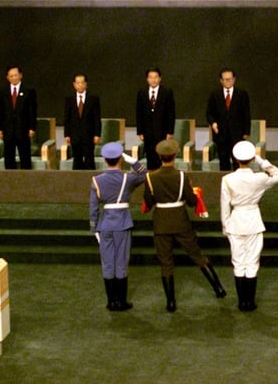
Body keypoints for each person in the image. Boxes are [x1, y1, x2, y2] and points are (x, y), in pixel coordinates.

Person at [143, 140, 227, 312]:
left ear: (159, 157)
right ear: (174, 156)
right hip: (181, 221)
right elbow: (190, 201)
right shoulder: (182, 176)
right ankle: (218, 288)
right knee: (198, 256)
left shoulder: (150, 178)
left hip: (161, 224)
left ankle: (171, 302)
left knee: (166, 263)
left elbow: (149, 201)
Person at [221, 141, 278, 311]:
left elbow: (224, 205)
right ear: (250, 159)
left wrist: (225, 226)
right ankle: (250, 301)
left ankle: (242, 302)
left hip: (235, 222)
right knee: (252, 262)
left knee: (238, 262)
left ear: (235, 159)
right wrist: (261, 160)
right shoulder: (260, 178)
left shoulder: (227, 179)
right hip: (253, 222)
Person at [89, 142, 146, 311]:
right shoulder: (127, 178)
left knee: (107, 263)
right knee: (121, 262)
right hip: (122, 223)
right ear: (120, 159)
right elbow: (144, 174)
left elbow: (93, 207)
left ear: (105, 160)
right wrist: (133, 161)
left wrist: (94, 228)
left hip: (105, 225)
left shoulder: (97, 180)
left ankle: (110, 301)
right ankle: (121, 301)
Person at [206, 68, 252, 171]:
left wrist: (246, 132)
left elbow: (246, 114)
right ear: (221, 80)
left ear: (234, 79)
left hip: (237, 134)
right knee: (223, 162)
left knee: (237, 161)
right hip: (221, 134)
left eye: (230, 79)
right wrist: (213, 123)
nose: (228, 81)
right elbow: (209, 113)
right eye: (225, 79)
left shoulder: (241, 93)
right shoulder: (215, 94)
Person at [0, 65, 37, 169]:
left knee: (25, 157)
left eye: (16, 75)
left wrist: (32, 127)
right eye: (11, 76)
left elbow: (33, 111)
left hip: (23, 129)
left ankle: (26, 180)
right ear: (7, 77)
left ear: (20, 76)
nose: (14, 78)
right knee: (9, 158)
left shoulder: (29, 90)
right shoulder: (2, 92)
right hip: (8, 130)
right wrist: (0, 129)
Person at [136, 68, 175, 170]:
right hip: (147, 132)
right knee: (150, 157)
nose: (153, 80)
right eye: (151, 77)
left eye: (155, 77)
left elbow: (171, 113)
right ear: (147, 79)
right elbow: (139, 112)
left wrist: (170, 132)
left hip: (162, 132)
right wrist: (139, 131)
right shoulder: (142, 92)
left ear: (160, 79)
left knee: (161, 157)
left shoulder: (167, 92)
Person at [64, 72, 101, 170]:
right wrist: (67, 134)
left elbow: (97, 118)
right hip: (75, 135)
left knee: (89, 159)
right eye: (78, 83)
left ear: (86, 84)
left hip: (89, 135)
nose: (80, 85)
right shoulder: (69, 99)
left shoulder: (93, 99)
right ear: (74, 85)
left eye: (82, 83)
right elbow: (66, 118)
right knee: (77, 159)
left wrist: (97, 134)